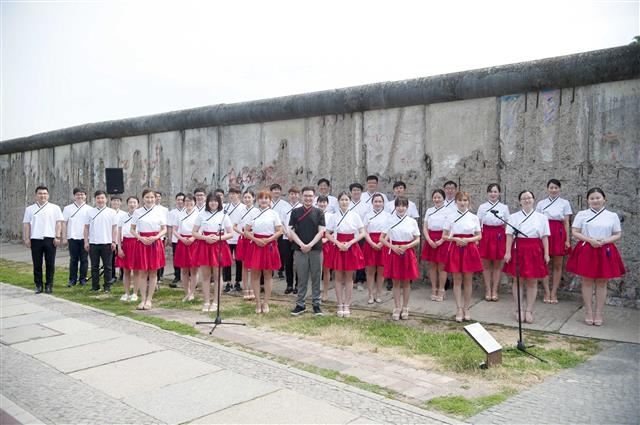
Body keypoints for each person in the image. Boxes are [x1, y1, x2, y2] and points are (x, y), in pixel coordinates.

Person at [566, 188, 625, 326]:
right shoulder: (582, 214)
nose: (595, 200)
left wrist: (605, 240)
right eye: (592, 198)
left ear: (604, 199)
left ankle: (599, 312)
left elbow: (617, 234)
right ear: (588, 200)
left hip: (605, 248)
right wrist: (590, 240)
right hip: (588, 247)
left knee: (602, 281)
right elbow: (575, 231)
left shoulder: (612, 215)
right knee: (587, 280)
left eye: (598, 198)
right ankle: (588, 311)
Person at [503, 190, 550, 324]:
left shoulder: (542, 217)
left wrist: (546, 253)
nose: (527, 200)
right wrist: (508, 252)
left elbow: (545, 236)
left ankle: (529, 310)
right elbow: (509, 235)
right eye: (524, 198)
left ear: (534, 199)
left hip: (535, 248)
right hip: (519, 248)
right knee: (518, 280)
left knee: (532, 280)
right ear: (520, 201)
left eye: (529, 198)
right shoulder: (514, 217)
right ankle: (519, 309)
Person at [442, 191, 483, 323]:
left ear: (468, 202)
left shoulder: (473, 217)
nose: (462, 203)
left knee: (468, 280)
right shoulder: (450, 216)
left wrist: (469, 240)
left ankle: (466, 308)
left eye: (465, 200)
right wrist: (455, 239)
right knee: (457, 279)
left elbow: (479, 235)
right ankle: (458, 308)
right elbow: (444, 235)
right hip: (455, 247)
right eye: (460, 200)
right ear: (456, 202)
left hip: (469, 249)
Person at [380, 196, 421, 320]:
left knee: (406, 282)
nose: (401, 208)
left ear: (407, 207)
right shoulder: (389, 219)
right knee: (395, 281)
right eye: (399, 205)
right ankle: (397, 307)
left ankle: (405, 306)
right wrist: (392, 247)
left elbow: (417, 239)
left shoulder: (412, 221)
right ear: (395, 207)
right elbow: (381, 238)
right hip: (394, 251)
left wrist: (407, 246)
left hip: (407, 252)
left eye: (403, 205)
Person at [326, 191, 365, 317]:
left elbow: (362, 232)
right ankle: (339, 304)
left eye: (346, 199)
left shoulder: (355, 215)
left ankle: (347, 304)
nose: (344, 202)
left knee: (349, 277)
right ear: (338, 202)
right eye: (342, 199)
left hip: (351, 246)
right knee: (338, 277)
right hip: (338, 246)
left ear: (350, 201)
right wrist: (337, 243)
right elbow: (327, 233)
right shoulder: (334, 216)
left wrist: (350, 243)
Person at [192, 192, 233, 313]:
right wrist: (205, 238)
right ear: (207, 202)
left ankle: (215, 301)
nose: (213, 203)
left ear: (219, 202)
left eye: (216, 201)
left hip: (219, 245)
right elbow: (194, 232)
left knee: (217, 275)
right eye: (211, 200)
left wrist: (218, 238)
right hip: (205, 245)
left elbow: (230, 233)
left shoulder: (224, 215)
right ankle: (206, 301)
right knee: (205, 276)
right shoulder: (201, 214)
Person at [289, 186, 326, 316]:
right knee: (302, 277)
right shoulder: (295, 212)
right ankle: (300, 304)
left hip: (315, 249)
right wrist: (301, 245)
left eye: (310, 196)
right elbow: (290, 231)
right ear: (301, 196)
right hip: (300, 250)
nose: (308, 198)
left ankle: (316, 304)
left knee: (316, 276)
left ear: (314, 197)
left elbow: (321, 231)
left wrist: (310, 244)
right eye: (305, 195)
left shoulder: (319, 212)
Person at [244, 190, 283, 314]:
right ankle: (257, 302)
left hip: (269, 245)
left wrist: (268, 240)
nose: (263, 200)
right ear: (258, 200)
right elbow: (246, 231)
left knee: (267, 274)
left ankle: (266, 302)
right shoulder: (253, 213)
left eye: (266, 198)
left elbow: (279, 231)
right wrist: (255, 239)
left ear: (270, 200)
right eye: (261, 198)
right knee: (255, 274)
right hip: (256, 245)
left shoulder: (274, 214)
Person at [536, 179, 572, 304]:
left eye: (556, 188)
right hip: (545, 233)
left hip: (559, 233)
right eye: (551, 187)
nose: (553, 190)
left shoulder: (565, 203)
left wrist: (567, 239)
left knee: (557, 264)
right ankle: (546, 291)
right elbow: (537, 221)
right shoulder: (541, 203)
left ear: (559, 189)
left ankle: (554, 292)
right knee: (544, 262)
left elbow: (566, 222)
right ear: (547, 189)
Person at [130, 189, 167, 310]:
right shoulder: (137, 212)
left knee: (153, 272)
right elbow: (132, 229)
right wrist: (140, 238)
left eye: (152, 197)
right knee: (142, 272)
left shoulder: (160, 211)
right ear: (143, 199)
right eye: (147, 197)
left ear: (155, 198)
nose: (150, 199)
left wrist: (156, 237)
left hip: (155, 242)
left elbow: (164, 229)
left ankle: (149, 300)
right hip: (142, 242)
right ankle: (142, 299)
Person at [22, 185, 64, 294]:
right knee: (37, 264)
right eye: (40, 193)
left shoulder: (55, 208)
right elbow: (26, 225)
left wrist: (58, 236)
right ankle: (38, 285)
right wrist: (26, 238)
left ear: (48, 195)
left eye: (45, 194)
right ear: (36, 195)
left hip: (50, 239)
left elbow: (58, 223)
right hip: (35, 239)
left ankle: (49, 285)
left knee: (50, 263)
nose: (42, 196)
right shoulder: (30, 209)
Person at [477, 183, 510, 302]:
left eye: (495, 192)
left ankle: (495, 290)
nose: (493, 194)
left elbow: (507, 224)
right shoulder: (482, 207)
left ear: (499, 193)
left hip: (499, 235)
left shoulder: (504, 207)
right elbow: (477, 223)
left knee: (497, 265)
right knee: (485, 265)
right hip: (485, 234)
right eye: (491, 191)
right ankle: (487, 290)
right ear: (487, 193)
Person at [84, 190, 118, 293]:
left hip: (107, 243)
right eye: (98, 198)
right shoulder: (90, 212)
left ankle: (107, 286)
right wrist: (86, 241)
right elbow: (86, 228)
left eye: (102, 198)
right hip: (93, 243)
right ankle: (95, 286)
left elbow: (115, 228)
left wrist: (114, 241)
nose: (100, 200)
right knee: (94, 266)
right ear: (95, 199)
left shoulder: (112, 212)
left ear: (106, 199)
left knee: (108, 266)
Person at [420, 189, 449, 302]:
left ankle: (442, 289)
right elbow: (425, 226)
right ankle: (433, 288)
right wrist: (428, 239)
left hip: (443, 238)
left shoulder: (448, 211)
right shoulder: (429, 210)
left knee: (442, 267)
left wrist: (441, 240)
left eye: (439, 197)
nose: (437, 200)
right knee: (432, 266)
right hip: (431, 238)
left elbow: (450, 227)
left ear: (443, 198)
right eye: (435, 198)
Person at [363, 193, 391, 303]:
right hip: (370, 243)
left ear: (383, 203)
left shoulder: (388, 216)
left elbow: (389, 231)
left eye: (380, 201)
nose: (378, 203)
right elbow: (364, 230)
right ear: (372, 203)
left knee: (381, 270)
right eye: (376, 201)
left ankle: (379, 293)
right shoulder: (367, 215)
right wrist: (370, 242)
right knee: (370, 271)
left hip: (383, 243)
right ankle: (370, 294)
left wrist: (382, 243)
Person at [172, 194, 199, 302]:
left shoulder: (198, 214)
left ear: (194, 202)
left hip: (194, 241)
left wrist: (193, 237)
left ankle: (192, 292)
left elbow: (201, 229)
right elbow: (174, 229)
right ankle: (186, 292)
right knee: (184, 269)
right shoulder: (179, 214)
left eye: (191, 201)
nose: (188, 203)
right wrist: (181, 238)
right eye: (186, 201)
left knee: (194, 270)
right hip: (182, 241)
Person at [62, 187, 89, 287]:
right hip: (72, 237)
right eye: (77, 194)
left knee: (84, 259)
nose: (80, 196)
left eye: (82, 194)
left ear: (85, 196)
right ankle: (72, 279)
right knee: (73, 259)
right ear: (74, 196)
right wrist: (64, 237)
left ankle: (83, 279)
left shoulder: (89, 209)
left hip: (85, 238)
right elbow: (64, 223)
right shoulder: (68, 208)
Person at [234, 190, 259, 300]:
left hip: (253, 239)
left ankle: (253, 289)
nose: (247, 199)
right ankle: (245, 289)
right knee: (244, 266)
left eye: (249, 197)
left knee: (253, 265)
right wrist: (243, 233)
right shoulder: (240, 211)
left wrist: (252, 235)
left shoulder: (257, 211)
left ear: (253, 198)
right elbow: (234, 226)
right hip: (243, 239)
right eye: (245, 197)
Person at [116, 196, 139, 302]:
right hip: (125, 243)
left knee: (137, 271)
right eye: (130, 202)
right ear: (127, 204)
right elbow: (119, 233)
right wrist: (119, 248)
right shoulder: (122, 217)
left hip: (136, 243)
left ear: (138, 204)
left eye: (134, 202)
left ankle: (135, 293)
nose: (132, 204)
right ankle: (126, 292)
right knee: (126, 270)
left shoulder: (140, 216)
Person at [222, 187, 245, 293]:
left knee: (239, 261)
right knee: (226, 261)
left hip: (239, 237)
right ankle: (227, 282)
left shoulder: (244, 207)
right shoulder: (225, 207)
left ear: (239, 195)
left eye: (235, 193)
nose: (232, 195)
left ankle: (238, 282)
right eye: (230, 193)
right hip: (227, 237)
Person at [349, 183, 370, 290]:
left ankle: (360, 279)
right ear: (351, 192)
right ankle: (349, 279)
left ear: (361, 192)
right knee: (349, 257)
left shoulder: (366, 205)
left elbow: (367, 222)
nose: (356, 192)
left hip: (361, 235)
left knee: (360, 257)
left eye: (358, 190)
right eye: (354, 190)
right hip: (348, 235)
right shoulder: (347, 204)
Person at [281, 187, 302, 294]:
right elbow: (281, 222)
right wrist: (286, 233)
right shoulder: (284, 207)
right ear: (289, 195)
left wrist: (293, 235)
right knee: (288, 262)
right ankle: (289, 284)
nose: (294, 196)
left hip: (297, 238)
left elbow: (301, 224)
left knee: (298, 262)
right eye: (292, 194)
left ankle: (298, 285)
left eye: (296, 194)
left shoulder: (301, 208)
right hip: (285, 238)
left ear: (299, 195)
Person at [315, 195, 334, 302]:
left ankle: (325, 292)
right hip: (315, 242)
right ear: (317, 203)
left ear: (327, 204)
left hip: (327, 242)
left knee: (326, 269)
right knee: (316, 269)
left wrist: (327, 239)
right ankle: (316, 291)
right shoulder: (314, 213)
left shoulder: (331, 216)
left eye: (324, 202)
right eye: (320, 202)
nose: (322, 204)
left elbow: (334, 230)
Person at [270, 183, 288, 279]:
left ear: (280, 191)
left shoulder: (285, 204)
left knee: (282, 251)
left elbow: (286, 219)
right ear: (271, 191)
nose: (276, 191)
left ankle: (280, 269)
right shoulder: (268, 203)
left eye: (278, 189)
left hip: (281, 230)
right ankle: (271, 269)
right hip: (269, 231)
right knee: (270, 251)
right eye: (274, 189)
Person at [167, 192, 185, 287]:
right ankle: (177, 276)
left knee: (187, 258)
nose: (180, 201)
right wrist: (169, 237)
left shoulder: (189, 211)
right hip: (175, 239)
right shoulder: (172, 213)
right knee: (176, 258)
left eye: (182, 199)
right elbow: (169, 226)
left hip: (186, 239)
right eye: (178, 199)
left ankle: (188, 277)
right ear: (176, 201)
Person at [110, 195, 128, 281]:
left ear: (120, 202)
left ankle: (123, 274)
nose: (115, 202)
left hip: (121, 239)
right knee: (111, 259)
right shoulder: (108, 212)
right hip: (111, 239)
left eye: (117, 201)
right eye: (114, 201)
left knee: (122, 257)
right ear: (110, 202)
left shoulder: (124, 214)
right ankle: (112, 275)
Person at [154, 191, 169, 282]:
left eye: (159, 196)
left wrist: (166, 236)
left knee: (160, 256)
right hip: (151, 237)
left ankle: (160, 275)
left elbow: (166, 224)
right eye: (156, 196)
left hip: (161, 236)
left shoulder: (164, 209)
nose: (157, 198)